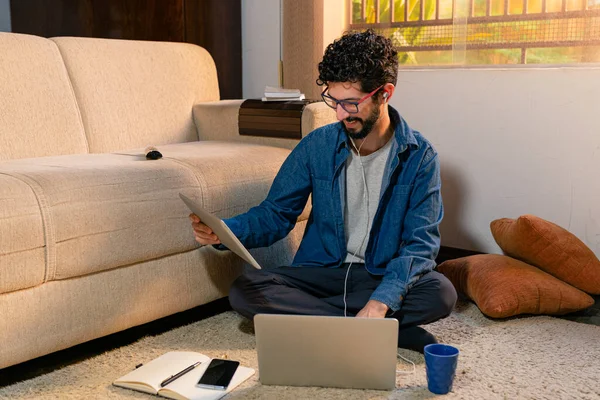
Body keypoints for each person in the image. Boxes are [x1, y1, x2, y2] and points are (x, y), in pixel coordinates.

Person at [190, 29, 457, 353]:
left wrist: (381, 301)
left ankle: (336, 324)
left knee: (441, 292)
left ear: (385, 93)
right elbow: (276, 214)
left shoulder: (420, 157)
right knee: (247, 290)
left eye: (350, 103)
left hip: (378, 275)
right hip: (320, 275)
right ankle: (389, 332)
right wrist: (226, 232)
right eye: (333, 100)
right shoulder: (317, 145)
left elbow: (420, 245)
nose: (340, 114)